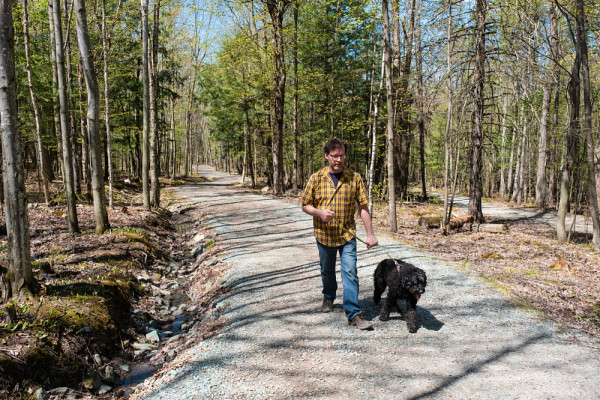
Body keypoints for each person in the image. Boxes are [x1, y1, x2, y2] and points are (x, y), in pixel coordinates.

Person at [301, 138, 379, 330]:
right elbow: (305, 205)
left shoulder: (354, 178)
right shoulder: (316, 178)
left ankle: (354, 313)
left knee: (350, 272)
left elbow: (363, 206)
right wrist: (319, 213)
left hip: (347, 236)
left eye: (341, 155)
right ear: (326, 156)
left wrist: (370, 234)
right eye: (334, 156)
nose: (338, 160)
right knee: (327, 271)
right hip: (324, 235)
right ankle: (328, 296)